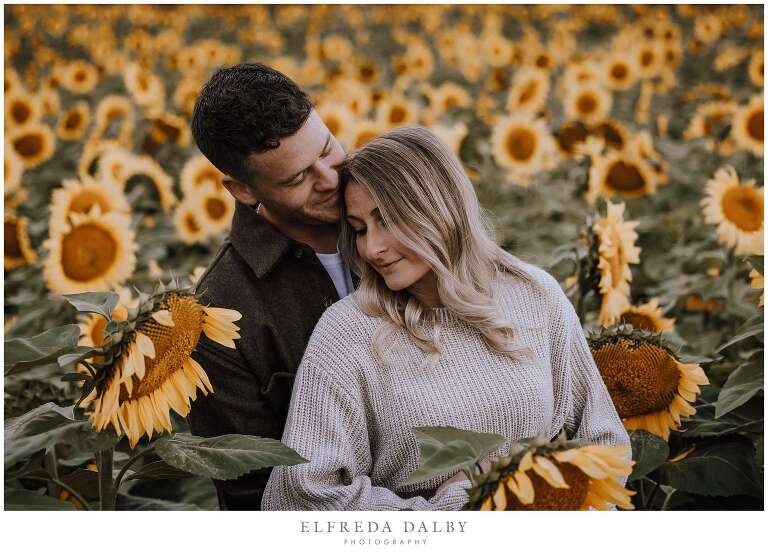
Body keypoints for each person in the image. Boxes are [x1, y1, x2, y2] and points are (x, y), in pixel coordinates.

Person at [261, 126, 630, 511]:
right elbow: (298, 500)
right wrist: (451, 510)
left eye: (386, 219)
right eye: (358, 230)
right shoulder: (349, 333)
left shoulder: (536, 295)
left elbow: (604, 441)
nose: (372, 248)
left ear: (437, 207)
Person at [186, 63, 354, 510]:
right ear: (242, 190)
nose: (330, 179)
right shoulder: (220, 314)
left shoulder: (399, 211)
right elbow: (250, 493)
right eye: (298, 178)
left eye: (327, 148)